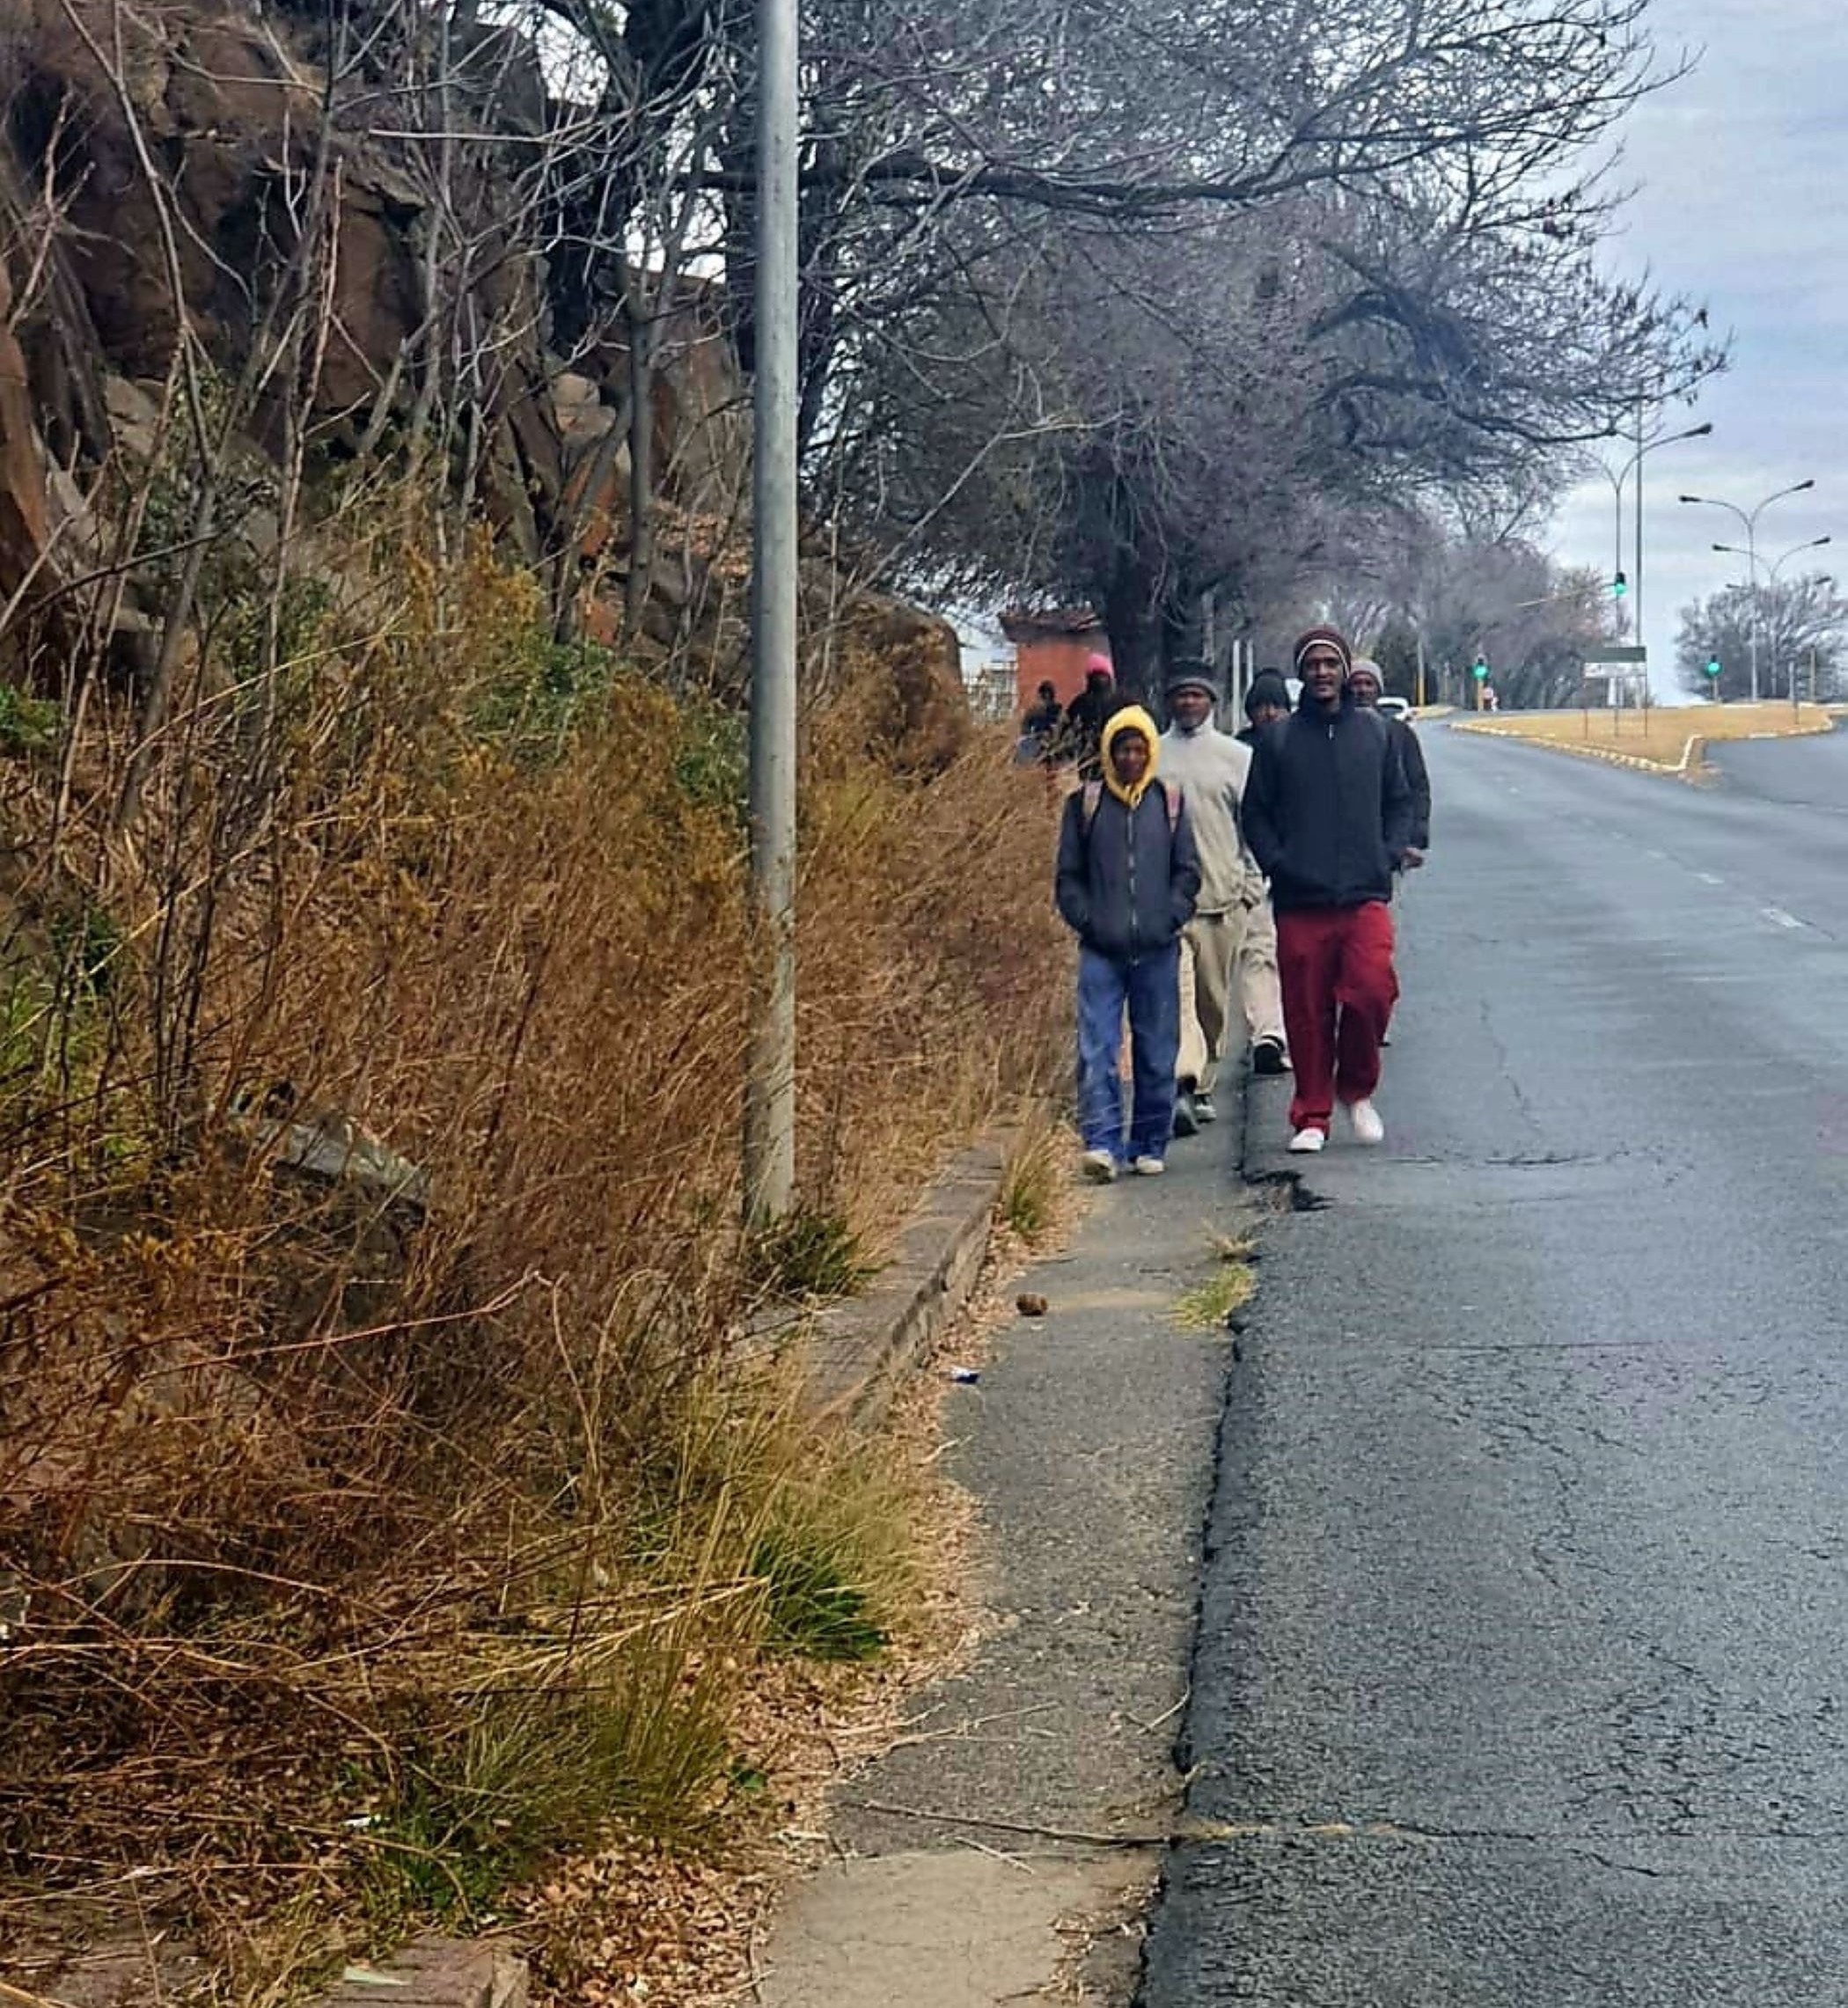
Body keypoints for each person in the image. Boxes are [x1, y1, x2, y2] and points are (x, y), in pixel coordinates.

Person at [1243, 627, 1413, 1155]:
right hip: (1301, 898)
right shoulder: (1278, 741)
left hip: (1364, 892)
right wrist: (1280, 863)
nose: (1321, 672)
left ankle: (1357, 1091)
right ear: (1301, 673)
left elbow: (1400, 801)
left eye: (1329, 663)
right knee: (1307, 1010)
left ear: (1344, 671)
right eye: (1312, 664)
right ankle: (1312, 1114)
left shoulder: (1376, 734)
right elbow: (1256, 813)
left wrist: (1387, 852)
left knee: (1371, 989)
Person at [1055, 706, 1201, 1181]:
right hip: (1102, 949)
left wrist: (1171, 916)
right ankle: (1102, 1142)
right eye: (1123, 749)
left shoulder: (1172, 803)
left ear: (1151, 753)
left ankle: (1148, 1141)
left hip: (1157, 948)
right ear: (1109, 753)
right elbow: (1068, 878)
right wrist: (1089, 922)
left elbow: (1187, 872)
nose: (1132, 757)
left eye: (1140, 749)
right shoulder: (1085, 806)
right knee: (1097, 1047)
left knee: (1157, 1049)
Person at [1159, 662, 1254, 1136]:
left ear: (1212, 702)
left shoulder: (1236, 758)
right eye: (1181, 695)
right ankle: (1182, 1084)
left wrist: (1251, 892)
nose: (1188, 703)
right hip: (1170, 908)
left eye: (1197, 695)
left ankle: (1202, 1083)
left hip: (1224, 901)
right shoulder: (1152, 755)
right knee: (1178, 1002)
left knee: (1213, 1005)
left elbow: (1253, 830)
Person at [1232, 670, 1294, 1078]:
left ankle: (1280, 1033)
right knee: (1255, 952)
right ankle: (1265, 1033)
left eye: (1275, 705)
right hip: (1245, 863)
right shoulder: (1236, 752)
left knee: (1282, 954)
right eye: (1260, 706)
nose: (1268, 713)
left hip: (1294, 865)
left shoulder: (1302, 747)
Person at [1347, 660, 1431, 855]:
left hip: (1390, 843)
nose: (1362, 690)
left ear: (1378, 690)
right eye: (1356, 684)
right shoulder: (1333, 732)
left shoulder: (1399, 733)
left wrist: (1415, 838)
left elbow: (1417, 786)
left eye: (1369, 684)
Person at [1060, 656, 1123, 779]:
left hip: (1089, 764)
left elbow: (1065, 734)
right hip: (1113, 762)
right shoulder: (1120, 702)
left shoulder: (1079, 702)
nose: (1100, 680)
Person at [1022, 679, 1064, 752]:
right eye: (1045, 694)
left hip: (1052, 745)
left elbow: (1063, 726)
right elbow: (1025, 730)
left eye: (1049, 695)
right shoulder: (1033, 710)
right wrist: (1038, 735)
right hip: (1038, 744)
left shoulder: (1058, 710)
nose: (1047, 698)